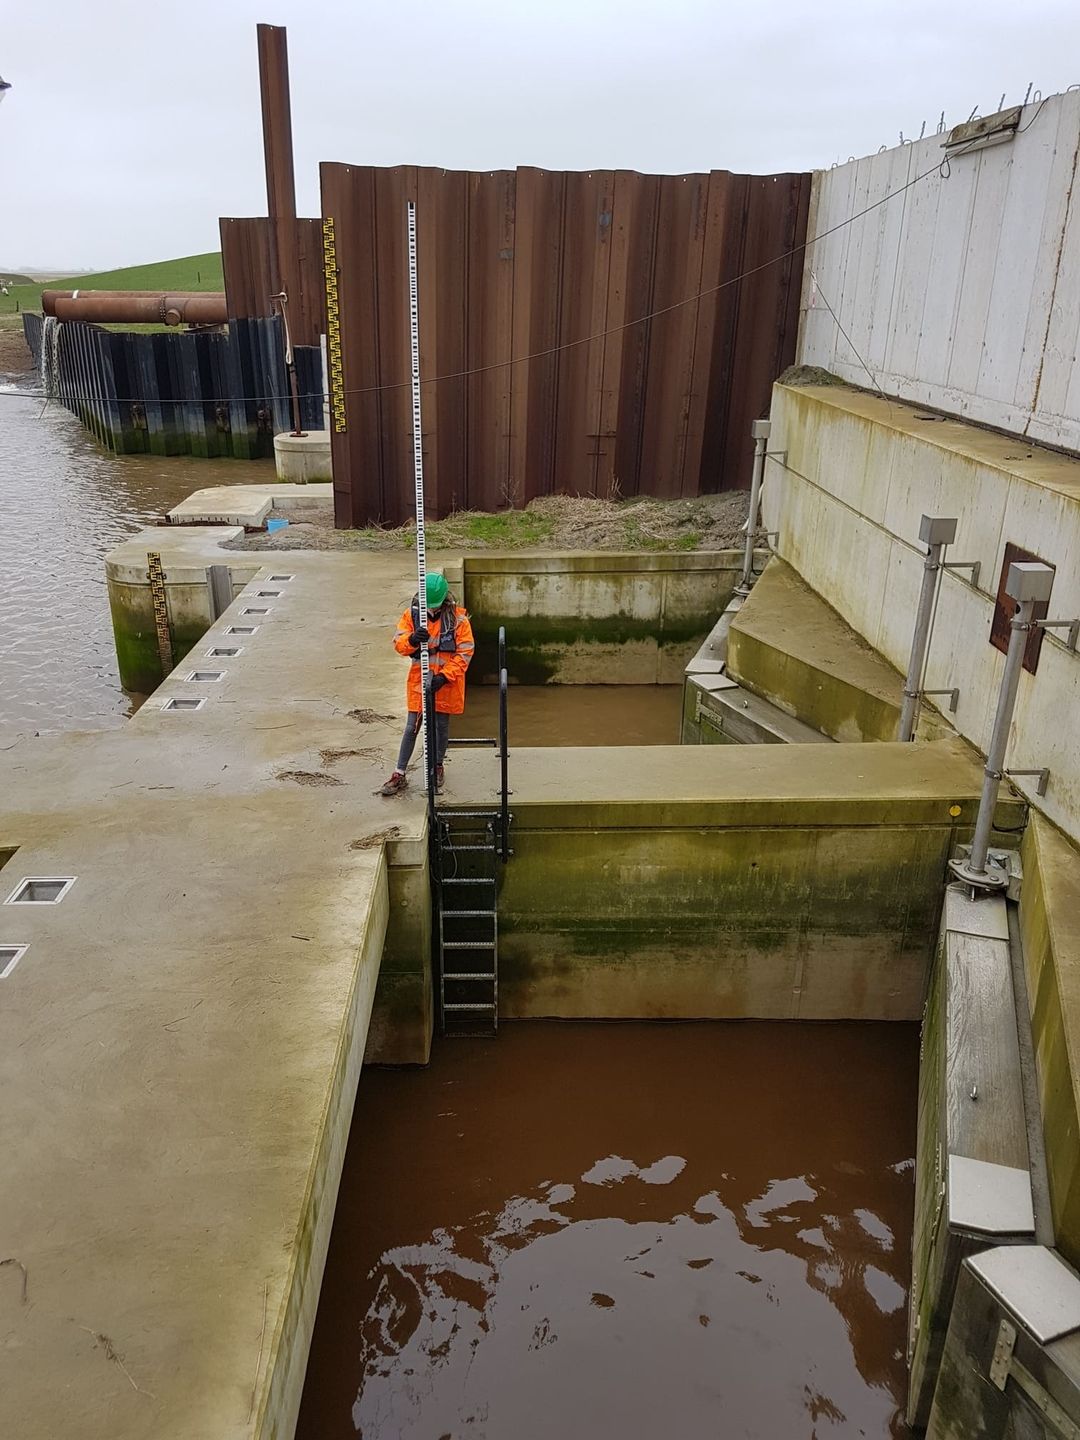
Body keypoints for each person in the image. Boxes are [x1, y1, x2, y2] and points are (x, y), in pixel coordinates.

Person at [380, 573, 474, 796]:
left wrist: (444, 677)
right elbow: (399, 643)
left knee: (441, 726)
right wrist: (412, 640)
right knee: (412, 726)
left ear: (445, 601)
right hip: (419, 681)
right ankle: (399, 773)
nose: (431, 611)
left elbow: (465, 653)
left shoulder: (459, 620)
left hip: (445, 684)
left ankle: (438, 766)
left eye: (434, 606)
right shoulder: (412, 617)